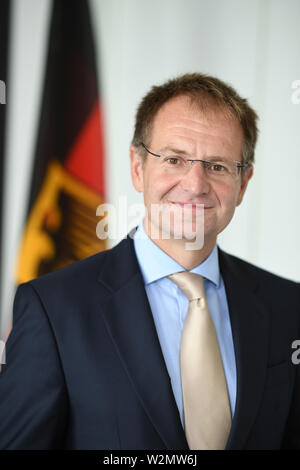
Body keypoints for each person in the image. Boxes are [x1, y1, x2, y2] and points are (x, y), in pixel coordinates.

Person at [0, 73, 299, 450]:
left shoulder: (289, 308)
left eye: (218, 166)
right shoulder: (54, 309)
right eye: (174, 159)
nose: (194, 184)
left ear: (243, 183)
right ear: (138, 167)